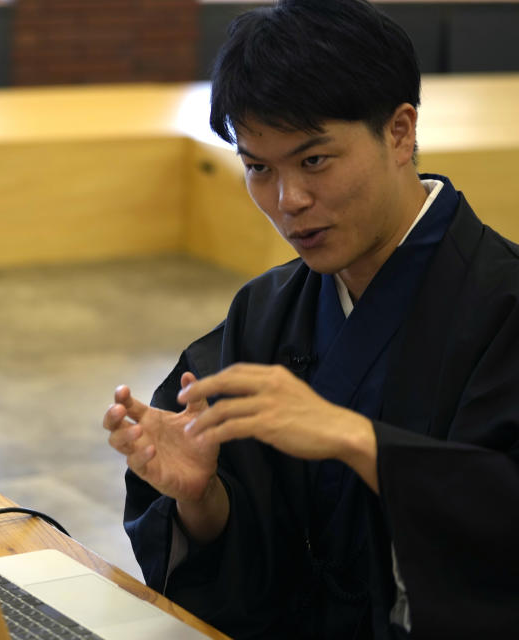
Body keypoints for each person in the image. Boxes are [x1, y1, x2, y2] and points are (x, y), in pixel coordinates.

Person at [103, 1, 519, 638]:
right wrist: (201, 499)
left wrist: (354, 439)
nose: (288, 201)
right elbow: (247, 573)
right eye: (258, 168)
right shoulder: (265, 312)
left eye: (315, 161)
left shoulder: (506, 306)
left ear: (401, 132)